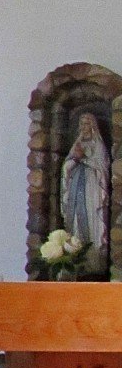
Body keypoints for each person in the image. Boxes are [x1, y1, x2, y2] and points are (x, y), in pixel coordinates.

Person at [60, 111, 110, 260]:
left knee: (91, 214)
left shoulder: (98, 145)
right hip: (76, 186)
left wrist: (84, 159)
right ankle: (76, 251)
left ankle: (95, 254)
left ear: (92, 126)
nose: (83, 127)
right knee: (76, 217)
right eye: (81, 124)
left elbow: (102, 167)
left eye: (86, 123)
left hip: (92, 187)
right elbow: (66, 167)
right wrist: (75, 159)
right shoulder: (77, 144)